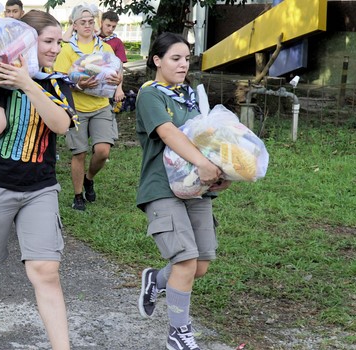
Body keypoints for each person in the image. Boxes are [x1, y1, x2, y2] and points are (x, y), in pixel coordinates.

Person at [0, 10, 74, 350]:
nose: (55, 48)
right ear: (25, 42)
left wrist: (28, 83)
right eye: (48, 41)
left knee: (46, 271)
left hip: (40, 189)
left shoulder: (57, 83)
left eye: (58, 42)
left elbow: (60, 125)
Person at [134, 32, 230, 350]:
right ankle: (178, 334)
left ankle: (156, 281)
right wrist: (202, 163)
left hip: (197, 190)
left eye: (187, 58)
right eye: (175, 58)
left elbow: (207, 139)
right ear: (157, 60)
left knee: (199, 265)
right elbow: (168, 133)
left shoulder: (189, 96)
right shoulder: (151, 95)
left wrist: (221, 171)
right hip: (163, 188)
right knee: (186, 262)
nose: (183, 64)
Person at [53, 3, 124, 211]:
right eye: (82, 22)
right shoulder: (66, 50)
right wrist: (78, 84)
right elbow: (59, 78)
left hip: (101, 105)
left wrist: (117, 80)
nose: (87, 25)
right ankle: (78, 196)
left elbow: (117, 70)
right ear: (74, 25)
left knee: (103, 151)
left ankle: (89, 178)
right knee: (80, 153)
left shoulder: (105, 47)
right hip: (77, 108)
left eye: (90, 22)